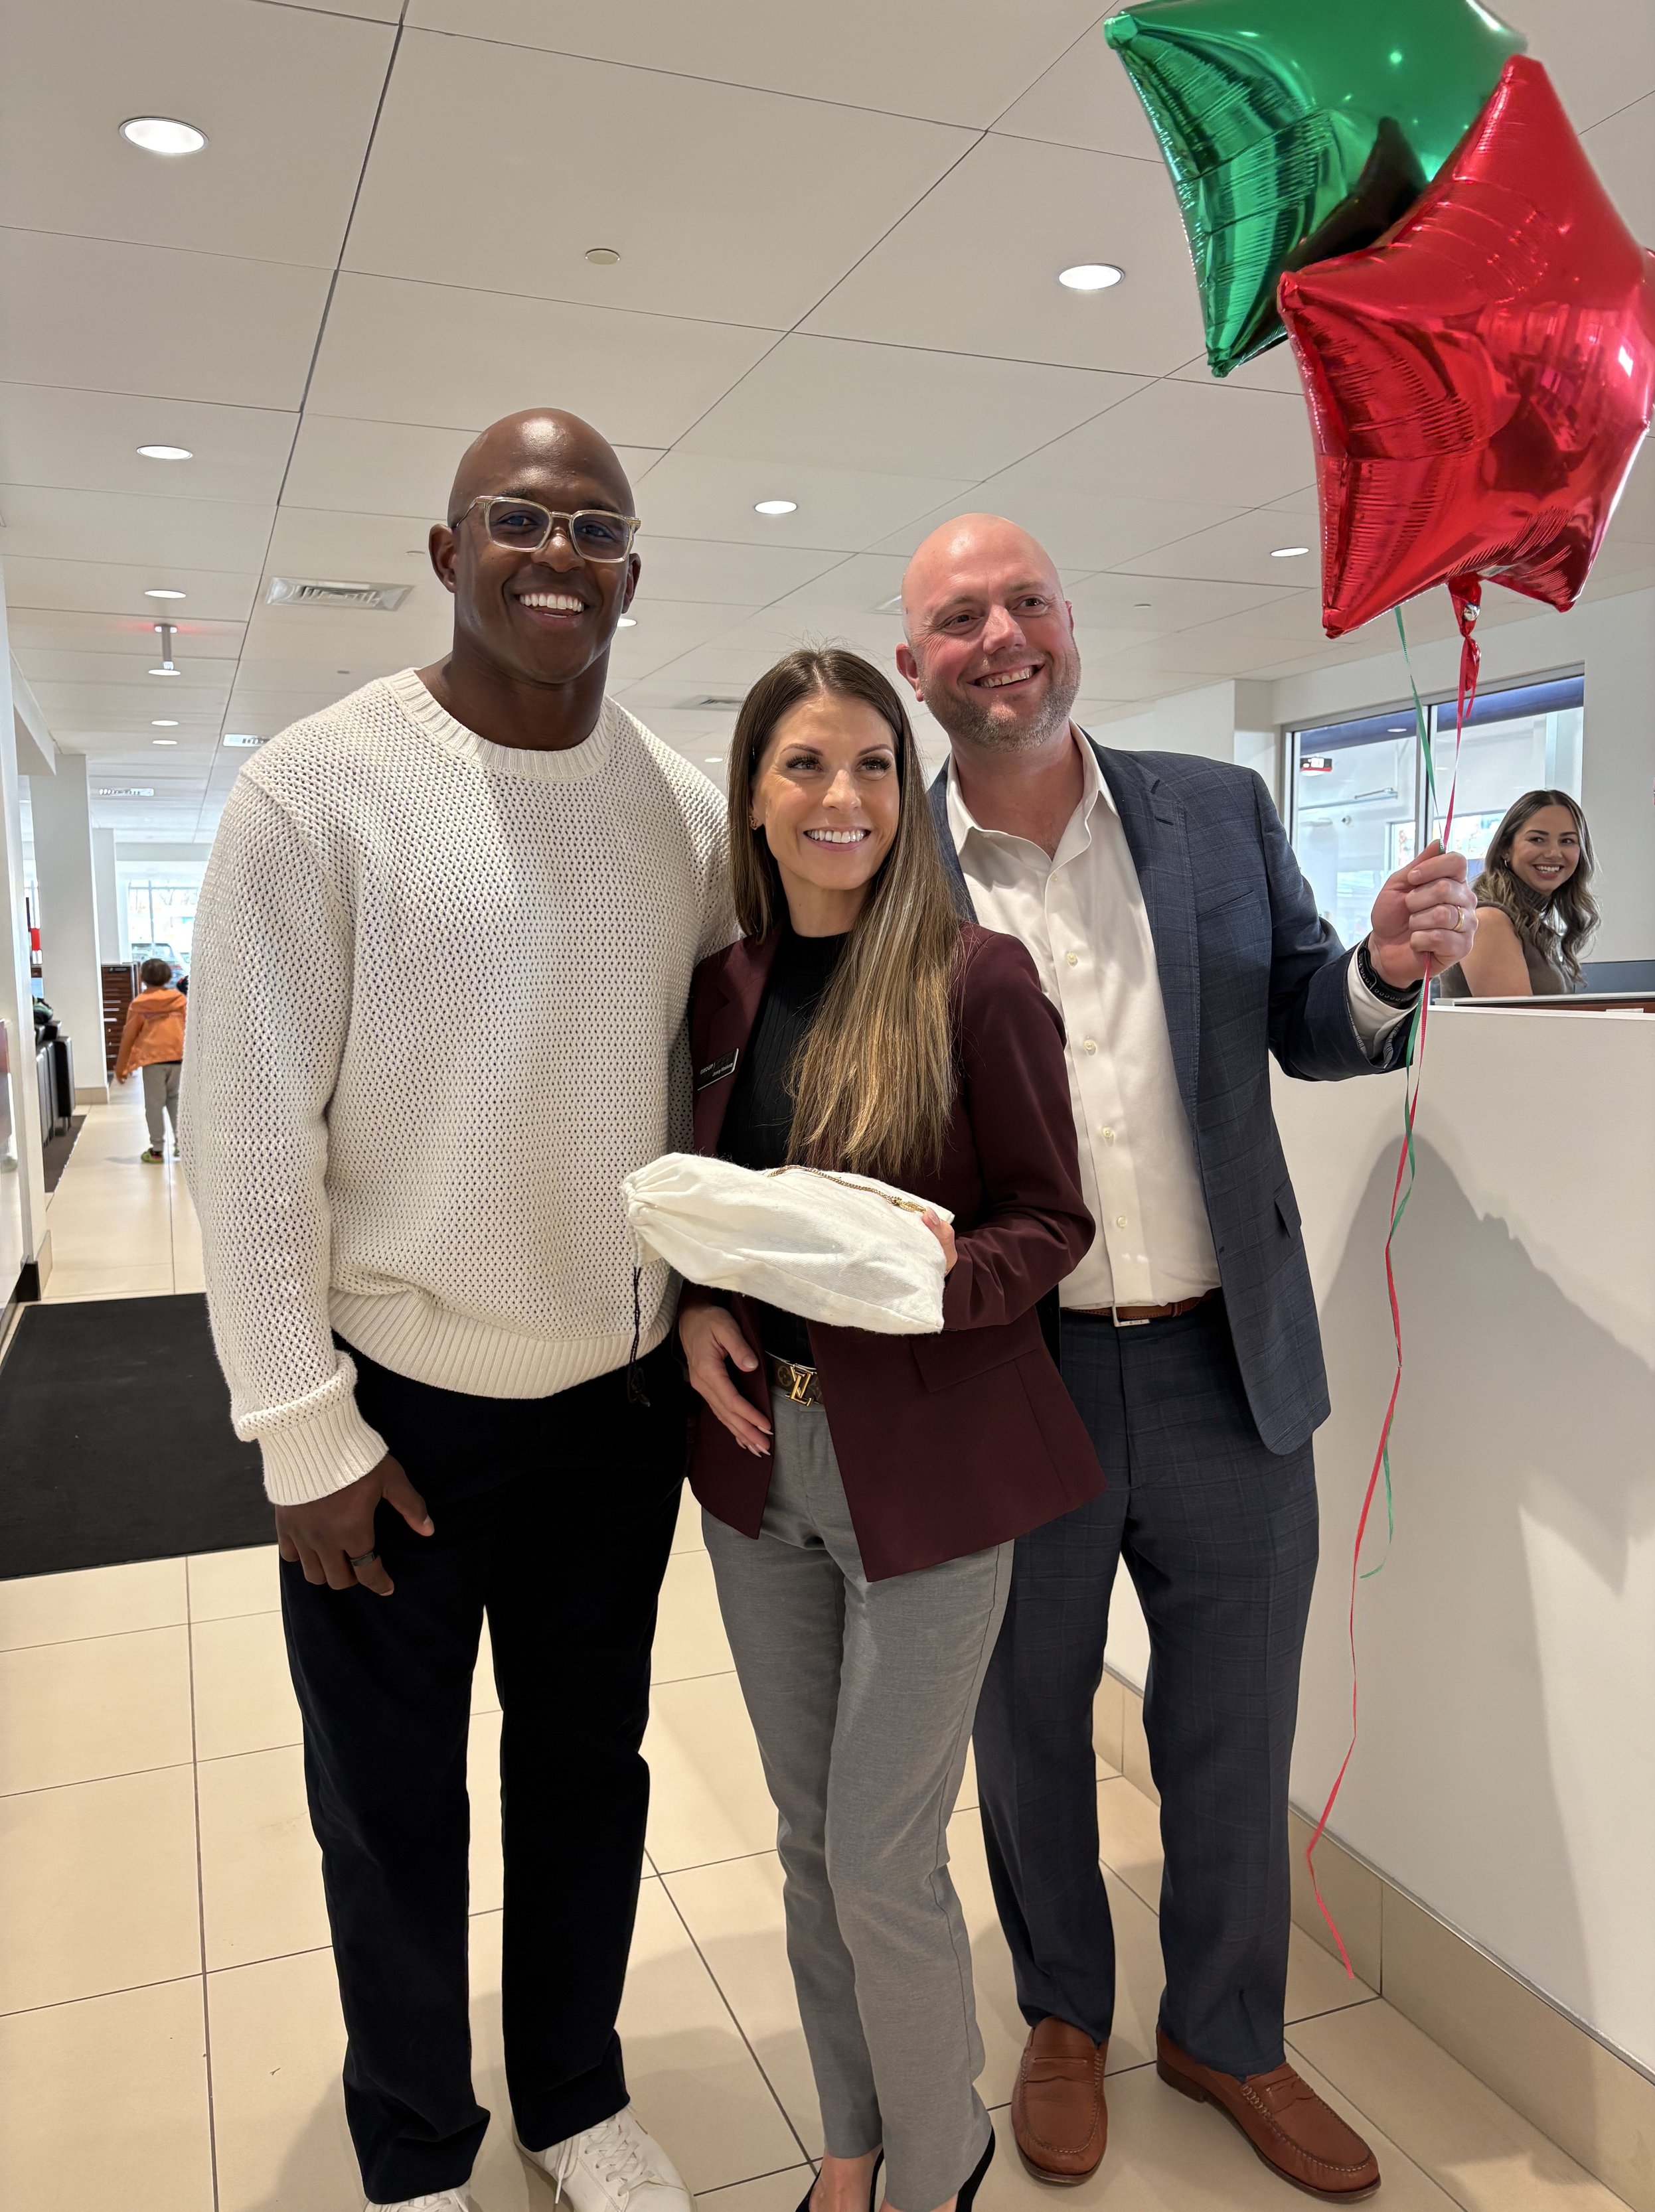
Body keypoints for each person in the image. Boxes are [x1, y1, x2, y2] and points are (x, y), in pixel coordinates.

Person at [181, 410, 730, 2212]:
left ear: (633, 574)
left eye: (596, 527)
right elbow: (253, 1143)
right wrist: (298, 1429)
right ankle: (417, 2146)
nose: (558, 551)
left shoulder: (680, 811)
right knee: (390, 1808)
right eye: (520, 517)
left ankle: (572, 2095)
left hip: (615, 1403)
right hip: (389, 1417)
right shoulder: (311, 791)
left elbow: (709, 1085)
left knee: (590, 1777)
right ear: (445, 551)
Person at [897, 516, 1478, 2203]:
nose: (1001, 634)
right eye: (958, 617)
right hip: (1018, 1378)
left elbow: (1304, 1012)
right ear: (917, 658)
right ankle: (1064, 2014)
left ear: (1072, 620)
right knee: (1026, 1716)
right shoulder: (894, 872)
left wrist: (1377, 969)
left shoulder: (1214, 810)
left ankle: (1227, 2029)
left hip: (1232, 1361)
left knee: (1235, 1724)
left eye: (1026, 601)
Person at [679, 648, 1103, 2212]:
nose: (840, 796)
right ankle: (849, 2142)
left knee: (880, 1852)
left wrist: (928, 1283)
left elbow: (1052, 1220)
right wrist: (687, 1307)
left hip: (928, 1472)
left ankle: (941, 2157)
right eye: (803, 765)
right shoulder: (721, 991)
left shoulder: (974, 980)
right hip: (754, 1465)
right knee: (808, 1844)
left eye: (868, 763)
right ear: (754, 797)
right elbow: (708, 1211)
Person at [1438, 789, 1597, 998]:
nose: (1553, 853)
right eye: (1538, 839)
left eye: (1567, 841)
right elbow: (1516, 1028)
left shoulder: (1528, 924)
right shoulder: (1489, 921)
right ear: (1506, 848)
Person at [114, 954, 187, 1162]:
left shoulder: (140, 1004)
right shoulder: (180, 1000)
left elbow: (129, 1035)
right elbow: (190, 1029)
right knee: (176, 1101)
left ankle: (156, 1150)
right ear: (168, 976)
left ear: (143, 979)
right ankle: (182, 1146)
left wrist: (122, 1067)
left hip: (154, 1061)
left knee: (154, 1104)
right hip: (178, 1058)